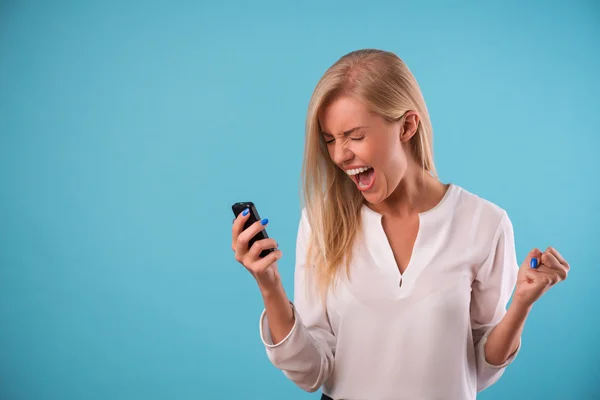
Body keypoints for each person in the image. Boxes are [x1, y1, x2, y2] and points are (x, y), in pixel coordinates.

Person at [231, 49, 570, 400]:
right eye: (330, 139)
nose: (339, 155)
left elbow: (478, 370)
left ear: (407, 125)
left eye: (355, 136)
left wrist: (522, 304)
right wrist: (269, 284)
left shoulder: (485, 222)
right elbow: (311, 372)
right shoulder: (320, 224)